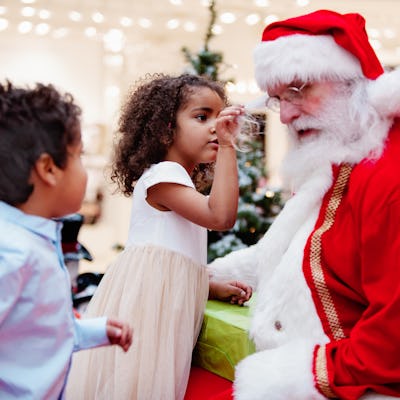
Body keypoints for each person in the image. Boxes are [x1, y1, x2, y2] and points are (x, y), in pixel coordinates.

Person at [207, 9, 400, 400]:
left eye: (299, 88)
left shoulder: (388, 176)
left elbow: (391, 338)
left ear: (354, 83)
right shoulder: (336, 162)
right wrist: (200, 274)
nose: (287, 115)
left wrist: (291, 377)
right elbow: (283, 253)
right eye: (278, 99)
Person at [66, 73, 252, 400]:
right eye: (201, 116)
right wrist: (227, 145)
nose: (214, 126)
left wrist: (206, 283)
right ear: (166, 127)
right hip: (148, 311)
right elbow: (221, 217)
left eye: (217, 117)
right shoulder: (164, 176)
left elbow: (173, 257)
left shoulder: (176, 179)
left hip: (160, 306)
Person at [0, 81, 133, 399]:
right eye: (79, 157)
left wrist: (91, 331)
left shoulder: (35, 239)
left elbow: (33, 333)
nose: (85, 171)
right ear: (48, 169)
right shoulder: (12, 251)